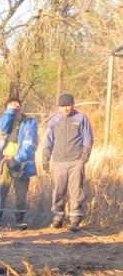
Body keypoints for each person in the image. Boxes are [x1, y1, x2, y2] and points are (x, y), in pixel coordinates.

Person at [42, 93, 93, 231]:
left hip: (76, 161)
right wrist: (45, 159)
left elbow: (88, 140)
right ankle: (57, 218)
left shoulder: (81, 118)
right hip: (58, 162)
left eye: (68, 105)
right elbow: (48, 141)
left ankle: (75, 220)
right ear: (59, 107)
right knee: (58, 190)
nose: (65, 109)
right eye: (62, 106)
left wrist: (83, 159)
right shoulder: (54, 120)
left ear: (73, 105)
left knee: (76, 191)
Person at [0, 98, 38, 230]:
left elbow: (30, 144)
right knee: (0, 191)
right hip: (4, 161)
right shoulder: (6, 122)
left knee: (21, 193)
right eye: (12, 107)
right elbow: (1, 128)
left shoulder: (30, 122)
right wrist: (9, 113)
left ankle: (19, 221)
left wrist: (17, 159)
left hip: (22, 163)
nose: (16, 109)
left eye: (18, 106)